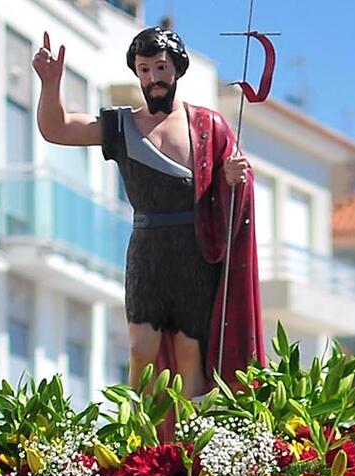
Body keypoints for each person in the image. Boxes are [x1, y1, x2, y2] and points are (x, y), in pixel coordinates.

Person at [29, 25, 259, 395]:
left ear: (177, 70)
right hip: (146, 249)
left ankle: (185, 442)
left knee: (189, 353)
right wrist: (50, 83)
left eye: (161, 68)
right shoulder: (121, 125)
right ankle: (140, 437)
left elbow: (233, 185)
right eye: (145, 69)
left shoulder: (206, 126)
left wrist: (232, 177)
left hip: (193, 251)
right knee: (139, 350)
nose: (154, 78)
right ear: (136, 72)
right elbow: (57, 129)